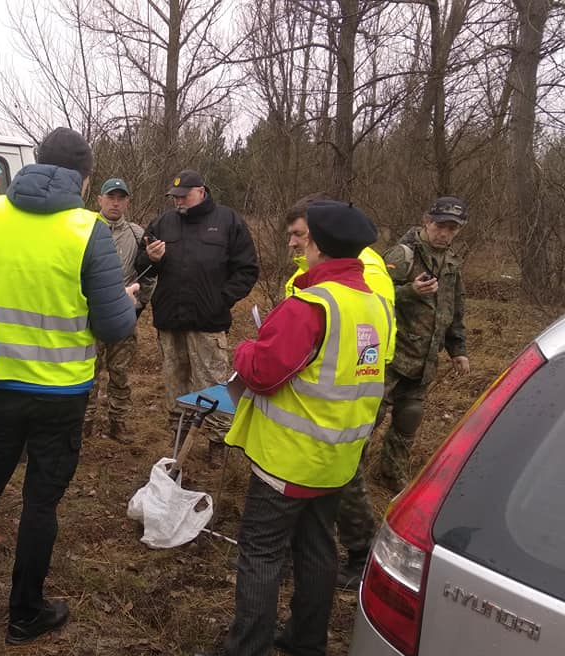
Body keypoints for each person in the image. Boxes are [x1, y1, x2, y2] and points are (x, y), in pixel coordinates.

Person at [192, 201, 392, 656]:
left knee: (260, 555)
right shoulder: (375, 304)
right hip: (337, 458)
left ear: (322, 243)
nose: (298, 243)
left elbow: (261, 372)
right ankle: (307, 638)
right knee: (318, 546)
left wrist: (245, 347)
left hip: (288, 458)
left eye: (305, 236)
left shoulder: (312, 305)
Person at [0, 127, 138, 644]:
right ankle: (24, 613)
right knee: (39, 504)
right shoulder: (89, 230)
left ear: (36, 162)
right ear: (84, 180)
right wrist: (130, 299)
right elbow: (116, 326)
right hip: (60, 394)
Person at [283, 194, 396, 588]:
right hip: (311, 387)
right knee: (303, 473)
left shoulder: (368, 271)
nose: (293, 243)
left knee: (345, 477)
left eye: (298, 235)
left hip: (348, 390)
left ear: (318, 236)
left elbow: (371, 333)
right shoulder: (307, 269)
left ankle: (362, 550)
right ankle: (292, 552)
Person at [138, 169, 259, 467]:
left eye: (184, 196)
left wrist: (222, 299)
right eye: (174, 197)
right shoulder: (163, 223)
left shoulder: (228, 221)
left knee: (214, 384)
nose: (178, 201)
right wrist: (150, 259)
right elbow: (142, 267)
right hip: (169, 321)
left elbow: (247, 269)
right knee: (174, 383)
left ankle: (218, 442)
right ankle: (178, 437)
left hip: (209, 322)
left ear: (201, 191)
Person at [376, 196, 470, 491]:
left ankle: (391, 472)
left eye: (453, 228)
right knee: (370, 415)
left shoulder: (452, 263)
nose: (445, 233)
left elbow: (454, 309)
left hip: (424, 358)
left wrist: (458, 350)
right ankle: (347, 476)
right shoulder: (403, 254)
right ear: (426, 221)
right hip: (390, 354)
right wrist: (410, 292)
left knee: (409, 417)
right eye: (441, 225)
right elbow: (372, 295)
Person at [84, 177, 155, 442]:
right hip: (90, 316)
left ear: (127, 202)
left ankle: (118, 422)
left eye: (120, 198)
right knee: (88, 371)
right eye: (110, 197)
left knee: (120, 372)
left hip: (124, 318)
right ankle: (85, 422)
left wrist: (138, 306)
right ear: (99, 199)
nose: (115, 203)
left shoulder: (138, 235)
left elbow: (149, 274)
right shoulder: (86, 228)